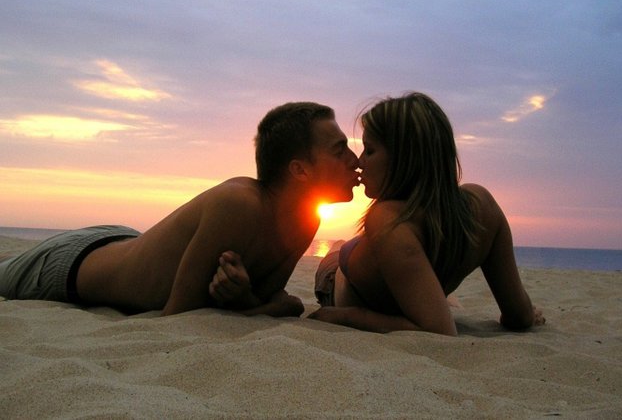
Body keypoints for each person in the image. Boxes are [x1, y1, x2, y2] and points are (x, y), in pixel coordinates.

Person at [0, 102, 360, 317]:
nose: (354, 159)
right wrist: (267, 306)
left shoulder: (305, 220)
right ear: (300, 170)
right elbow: (179, 315)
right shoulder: (238, 203)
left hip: (123, 243)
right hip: (70, 266)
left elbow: (263, 299)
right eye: (339, 149)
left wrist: (249, 299)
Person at [308, 92, 545, 335]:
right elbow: (520, 315)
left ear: (405, 158)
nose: (360, 162)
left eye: (369, 150)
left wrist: (347, 315)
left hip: (338, 282)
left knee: (336, 253)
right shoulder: (483, 205)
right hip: (398, 273)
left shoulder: (388, 220)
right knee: (342, 246)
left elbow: (439, 330)